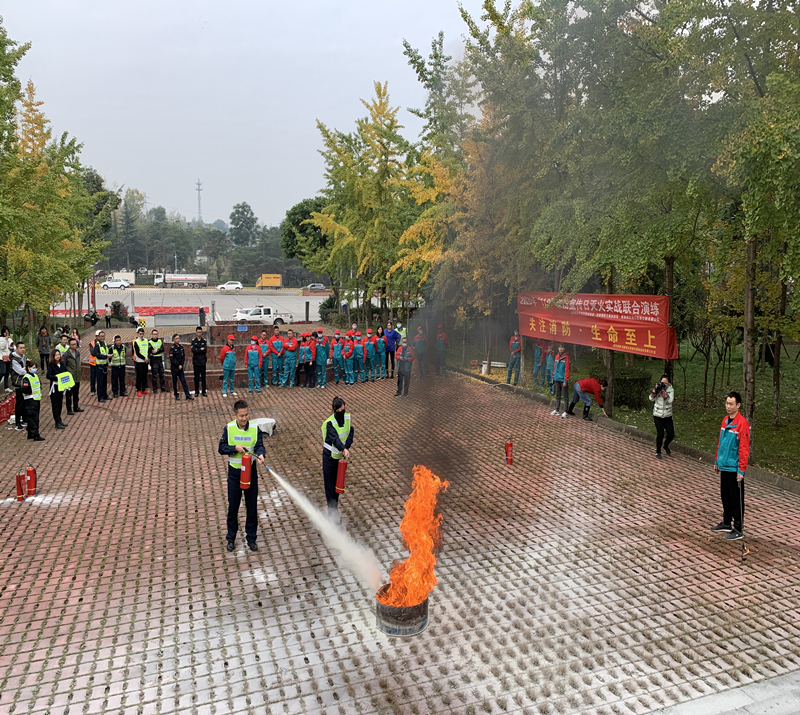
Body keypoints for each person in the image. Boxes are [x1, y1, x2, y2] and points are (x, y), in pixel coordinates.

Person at [219, 399, 266, 551]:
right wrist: (234, 448)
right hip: (234, 473)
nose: (244, 418)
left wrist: (260, 454)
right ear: (235, 415)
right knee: (233, 507)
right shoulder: (229, 428)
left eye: (246, 415)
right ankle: (231, 538)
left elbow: (259, 445)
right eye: (241, 416)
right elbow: (221, 448)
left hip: (250, 472)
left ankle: (251, 538)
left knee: (251, 507)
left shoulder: (254, 428)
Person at [712, 391, 751, 541]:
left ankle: (738, 528)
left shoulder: (742, 424)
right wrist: (717, 461)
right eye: (727, 403)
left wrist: (741, 470)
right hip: (724, 465)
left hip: (734, 468)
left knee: (736, 499)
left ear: (738, 405)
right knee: (725, 496)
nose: (728, 406)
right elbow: (720, 443)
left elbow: (743, 449)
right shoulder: (724, 421)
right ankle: (726, 522)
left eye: (731, 404)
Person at [322, 396, 353, 517]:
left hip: (339, 459)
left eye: (343, 409)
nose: (341, 412)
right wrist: (343, 448)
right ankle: (332, 517)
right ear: (334, 410)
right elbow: (334, 438)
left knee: (338, 487)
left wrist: (347, 447)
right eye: (338, 410)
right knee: (330, 490)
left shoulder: (347, 418)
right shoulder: (329, 423)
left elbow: (350, 432)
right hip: (329, 458)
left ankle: (334, 513)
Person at [650, 374, 675, 460]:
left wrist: (664, 392)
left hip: (667, 415)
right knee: (660, 434)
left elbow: (670, 401)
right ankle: (658, 451)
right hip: (658, 415)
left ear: (669, 384)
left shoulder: (671, 390)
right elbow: (651, 398)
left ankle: (666, 445)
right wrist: (655, 390)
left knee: (671, 434)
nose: (664, 384)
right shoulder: (658, 389)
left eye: (666, 383)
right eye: (662, 383)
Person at [46, 348, 70, 429]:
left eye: (58, 354)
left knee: (60, 404)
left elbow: (66, 372)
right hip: (55, 387)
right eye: (56, 355)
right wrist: (57, 378)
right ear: (53, 356)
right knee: (55, 405)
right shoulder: (51, 365)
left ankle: (59, 420)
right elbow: (48, 376)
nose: (57, 356)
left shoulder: (62, 364)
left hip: (61, 387)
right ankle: (57, 421)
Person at [20, 360, 44, 441]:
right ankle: (35, 434)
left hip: (36, 399)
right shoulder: (26, 377)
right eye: (32, 367)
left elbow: (39, 384)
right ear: (28, 368)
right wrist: (29, 391)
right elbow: (24, 388)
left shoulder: (35, 376)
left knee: (33, 417)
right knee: (33, 418)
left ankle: (30, 433)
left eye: (35, 367)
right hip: (30, 400)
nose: (34, 369)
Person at [169, 334, 194, 401]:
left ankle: (187, 394)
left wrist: (181, 365)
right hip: (175, 368)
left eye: (178, 338)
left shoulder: (181, 347)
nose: (178, 340)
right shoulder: (172, 348)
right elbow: (172, 358)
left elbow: (183, 357)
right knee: (175, 382)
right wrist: (178, 365)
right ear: (174, 340)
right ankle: (176, 395)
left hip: (180, 368)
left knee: (183, 381)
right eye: (176, 338)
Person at [10, 341, 28, 431]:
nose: (23, 349)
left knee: (25, 402)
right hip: (18, 383)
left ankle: (25, 420)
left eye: (24, 347)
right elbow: (20, 372)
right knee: (19, 403)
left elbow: (28, 367)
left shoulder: (24, 357)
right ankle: (17, 423)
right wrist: (26, 370)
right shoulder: (14, 359)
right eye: (20, 348)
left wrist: (25, 369)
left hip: (25, 382)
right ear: (16, 349)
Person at [550, 344, 571, 417]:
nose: (560, 348)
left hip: (563, 379)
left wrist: (566, 380)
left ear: (564, 348)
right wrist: (553, 378)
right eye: (559, 347)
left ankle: (566, 411)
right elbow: (554, 368)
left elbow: (567, 370)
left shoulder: (566, 358)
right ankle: (557, 409)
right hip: (556, 378)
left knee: (565, 395)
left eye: (562, 347)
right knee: (557, 395)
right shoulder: (556, 356)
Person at [64, 338, 84, 414]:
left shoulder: (77, 353)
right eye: (72, 344)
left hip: (77, 376)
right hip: (70, 377)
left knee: (76, 393)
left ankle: (76, 407)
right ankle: (69, 409)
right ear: (69, 345)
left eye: (75, 344)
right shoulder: (66, 354)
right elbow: (64, 365)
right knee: (69, 394)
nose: (74, 346)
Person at [91, 331, 110, 402]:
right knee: (100, 382)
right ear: (98, 337)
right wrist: (106, 356)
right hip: (99, 366)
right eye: (101, 336)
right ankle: (100, 397)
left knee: (104, 382)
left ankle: (105, 395)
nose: (102, 337)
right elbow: (98, 355)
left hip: (105, 365)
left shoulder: (105, 344)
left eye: (103, 336)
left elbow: (107, 352)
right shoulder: (97, 345)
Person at [132, 327, 150, 396]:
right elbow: (137, 352)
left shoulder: (146, 340)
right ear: (137, 334)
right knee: (139, 376)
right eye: (140, 334)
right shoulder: (136, 342)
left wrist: (147, 357)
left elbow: (148, 350)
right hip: (139, 361)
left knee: (144, 376)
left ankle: (144, 389)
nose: (141, 335)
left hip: (145, 361)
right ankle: (138, 389)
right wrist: (144, 358)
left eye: (142, 334)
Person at [148, 329, 167, 394]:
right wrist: (157, 351)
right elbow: (151, 351)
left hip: (159, 359)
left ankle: (163, 388)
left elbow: (163, 349)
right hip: (153, 360)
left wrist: (157, 350)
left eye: (156, 334)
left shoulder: (160, 341)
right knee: (154, 376)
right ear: (152, 335)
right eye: (154, 334)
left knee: (162, 375)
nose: (155, 335)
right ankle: (155, 389)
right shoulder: (149, 342)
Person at [191, 326, 208, 397]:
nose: (199, 333)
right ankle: (196, 391)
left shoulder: (204, 341)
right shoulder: (193, 341)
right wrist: (200, 349)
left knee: (203, 377)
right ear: (196, 332)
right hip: (196, 362)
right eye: (198, 332)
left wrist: (198, 350)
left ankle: (203, 391)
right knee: (196, 377)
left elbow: (205, 350)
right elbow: (193, 351)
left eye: (200, 332)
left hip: (203, 362)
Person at [0, 326, 12, 392]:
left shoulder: (10, 339)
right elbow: (2, 347)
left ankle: (6, 387)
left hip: (8, 357)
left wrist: (12, 347)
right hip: (2, 358)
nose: (6, 334)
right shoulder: (1, 339)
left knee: (7, 373)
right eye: (5, 332)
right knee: (3, 372)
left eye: (7, 332)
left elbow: (13, 346)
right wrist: (6, 339)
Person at [87, 330, 100, 394]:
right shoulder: (92, 343)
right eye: (99, 336)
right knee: (93, 377)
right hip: (93, 363)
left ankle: (99, 390)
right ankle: (92, 390)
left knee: (99, 378)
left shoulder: (103, 343)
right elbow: (93, 352)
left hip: (100, 363)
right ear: (96, 336)